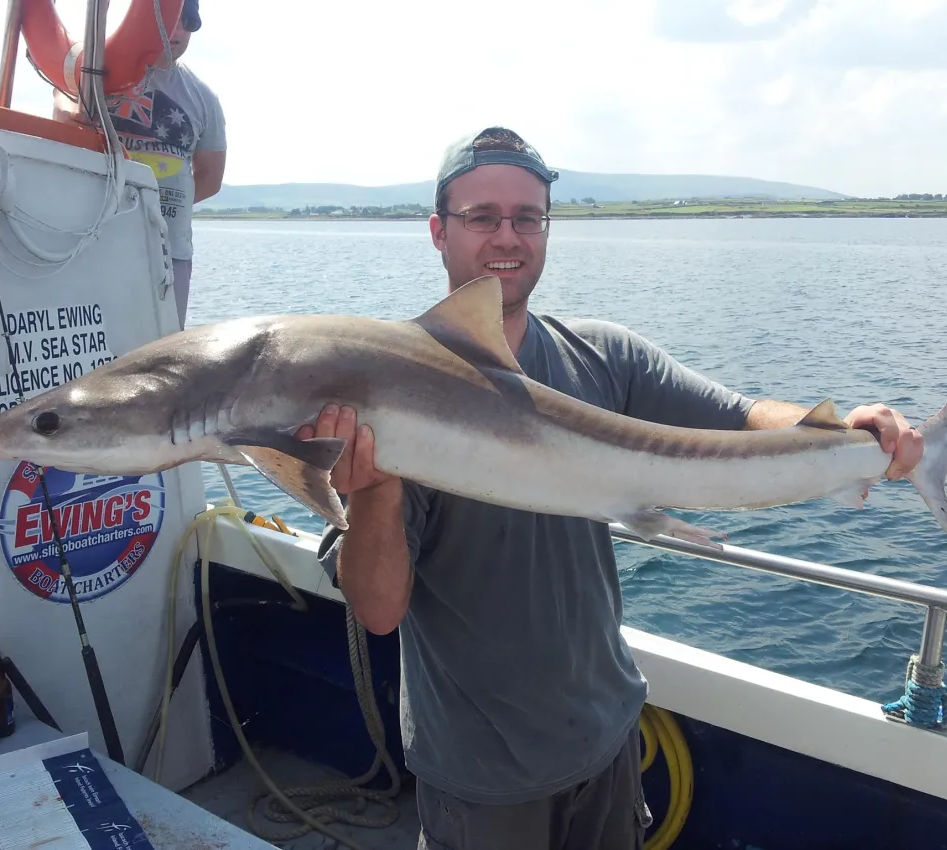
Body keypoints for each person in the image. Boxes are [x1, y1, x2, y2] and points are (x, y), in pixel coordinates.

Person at [298, 127, 923, 850]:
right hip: (482, 776)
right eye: (482, 217)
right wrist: (375, 489)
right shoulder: (389, 398)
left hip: (607, 737)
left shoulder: (602, 356)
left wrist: (848, 430)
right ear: (438, 232)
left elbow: (740, 417)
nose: (508, 236)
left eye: (528, 217)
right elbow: (377, 611)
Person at [53, 0, 226, 327]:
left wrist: (156, 204)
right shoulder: (97, 69)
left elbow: (210, 178)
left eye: (187, 22)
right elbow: (62, 97)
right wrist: (67, 107)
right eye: (170, 19)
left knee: (164, 355)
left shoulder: (204, 98)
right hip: (92, 240)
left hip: (168, 253)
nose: (177, 31)